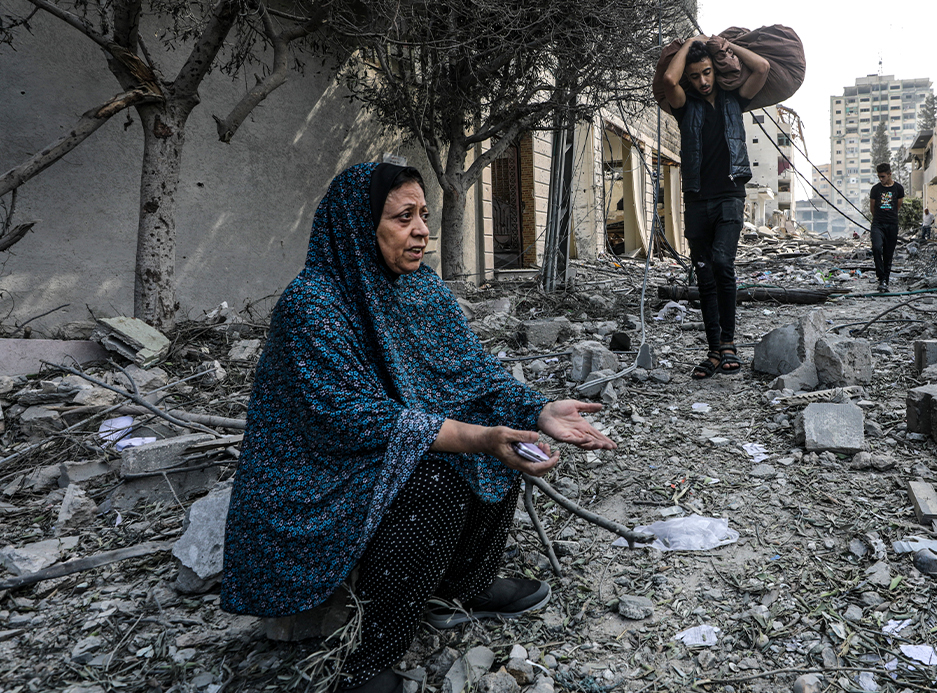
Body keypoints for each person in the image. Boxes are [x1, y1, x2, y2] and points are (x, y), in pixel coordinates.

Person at [220, 162, 615, 693]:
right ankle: (369, 660)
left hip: (395, 439)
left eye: (424, 215)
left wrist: (537, 411)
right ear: (359, 225)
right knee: (437, 478)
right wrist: (474, 437)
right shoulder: (314, 303)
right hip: (319, 471)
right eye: (403, 217)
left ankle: (461, 586)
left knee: (498, 436)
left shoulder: (421, 288)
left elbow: (472, 373)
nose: (422, 231)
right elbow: (348, 418)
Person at [661, 34, 769, 379]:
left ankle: (728, 342)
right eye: (695, 76)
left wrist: (722, 45)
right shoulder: (684, 106)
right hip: (696, 199)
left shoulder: (734, 98)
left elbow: (761, 67)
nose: (703, 81)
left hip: (729, 196)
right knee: (705, 276)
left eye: (707, 72)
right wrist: (692, 41)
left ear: (715, 70)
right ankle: (714, 350)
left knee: (723, 263)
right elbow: (668, 79)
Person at [869, 162, 905, 292]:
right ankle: (881, 277)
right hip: (878, 224)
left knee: (888, 254)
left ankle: (885, 281)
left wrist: (889, 218)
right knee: (876, 248)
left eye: (883, 176)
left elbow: (897, 207)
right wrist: (879, 219)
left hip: (892, 224)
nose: (881, 179)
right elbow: (872, 208)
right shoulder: (875, 189)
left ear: (889, 174)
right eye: (879, 176)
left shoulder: (898, 188)